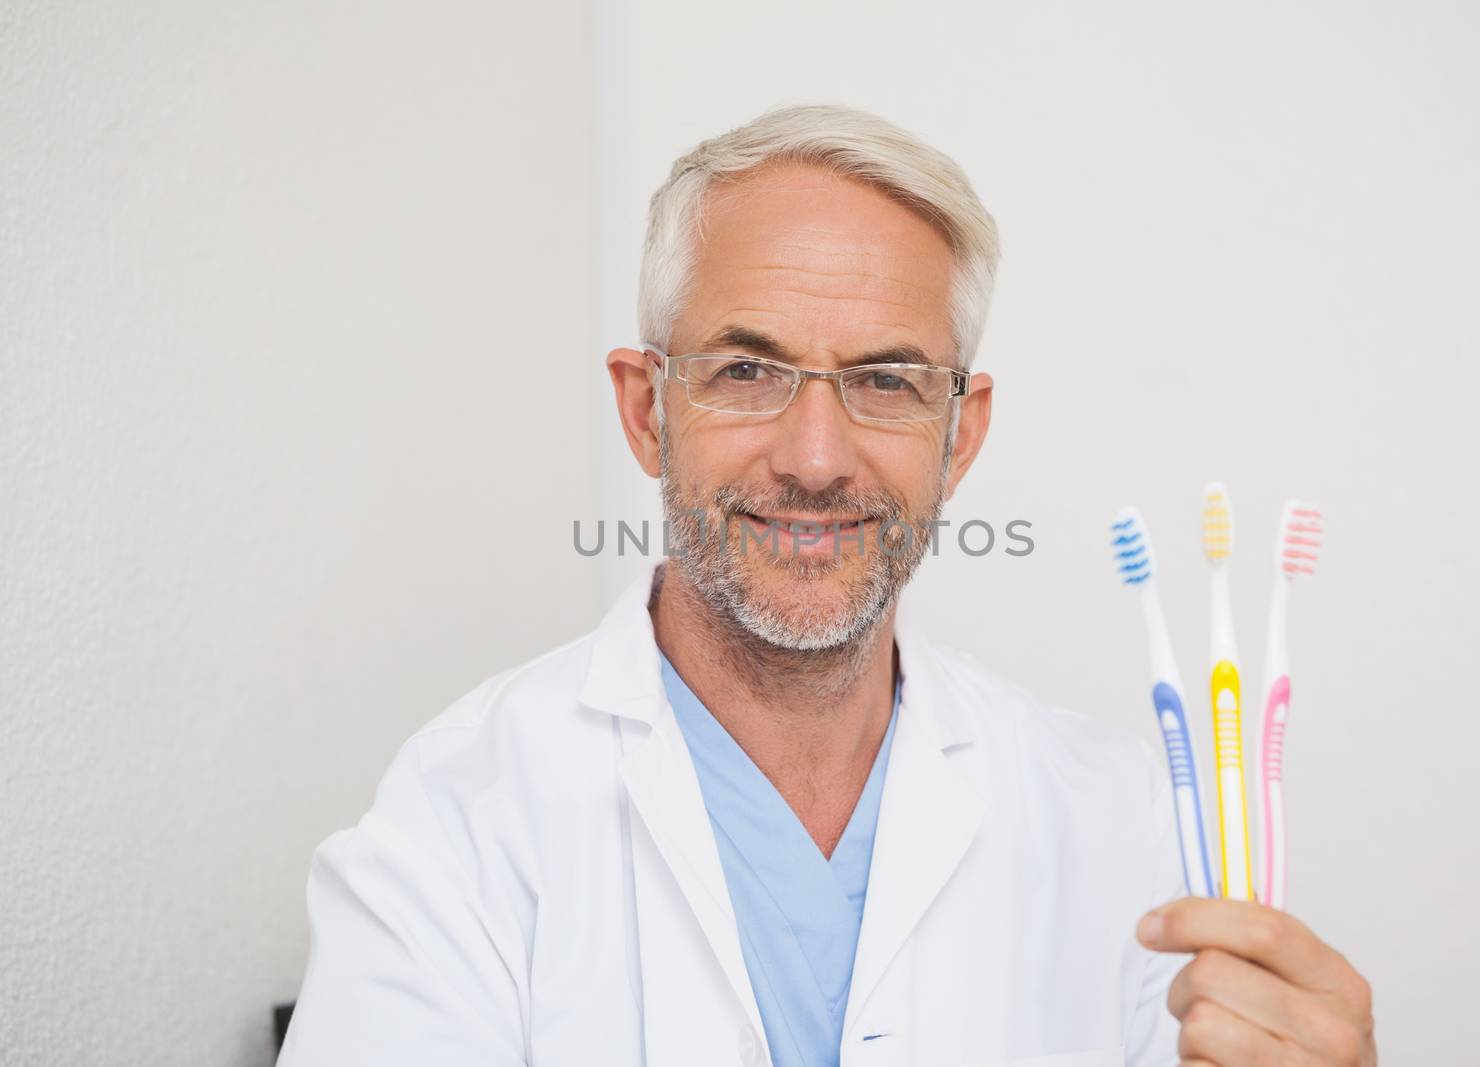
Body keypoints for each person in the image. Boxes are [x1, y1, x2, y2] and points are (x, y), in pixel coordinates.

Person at [277, 104, 1376, 1067]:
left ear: (960, 434)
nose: (813, 458)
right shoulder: (455, 826)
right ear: (645, 408)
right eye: (747, 370)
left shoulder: (1115, 819)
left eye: (886, 380)